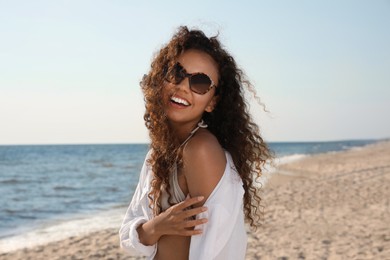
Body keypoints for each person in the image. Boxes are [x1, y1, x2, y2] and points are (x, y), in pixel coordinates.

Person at [119, 26, 271, 260]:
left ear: (212, 102)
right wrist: (158, 226)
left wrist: (151, 231)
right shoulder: (158, 153)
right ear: (162, 79)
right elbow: (128, 239)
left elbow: (218, 251)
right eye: (176, 73)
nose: (182, 87)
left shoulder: (200, 149)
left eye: (199, 83)